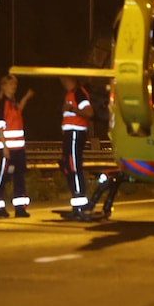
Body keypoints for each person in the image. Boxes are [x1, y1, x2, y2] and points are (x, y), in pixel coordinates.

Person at [0, 74, 34, 218]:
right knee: (3, 177)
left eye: (14, 85)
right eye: (10, 85)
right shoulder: (1, 103)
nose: (13, 87)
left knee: (19, 177)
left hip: (18, 148)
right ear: (3, 87)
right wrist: (4, 147)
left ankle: (20, 208)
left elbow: (18, 112)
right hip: (8, 148)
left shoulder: (12, 102)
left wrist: (26, 98)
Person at [60, 76, 94, 216]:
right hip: (69, 135)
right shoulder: (70, 94)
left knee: (74, 167)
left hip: (75, 134)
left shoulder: (79, 93)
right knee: (68, 166)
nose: (62, 82)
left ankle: (80, 202)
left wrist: (72, 109)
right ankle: (77, 200)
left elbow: (89, 112)